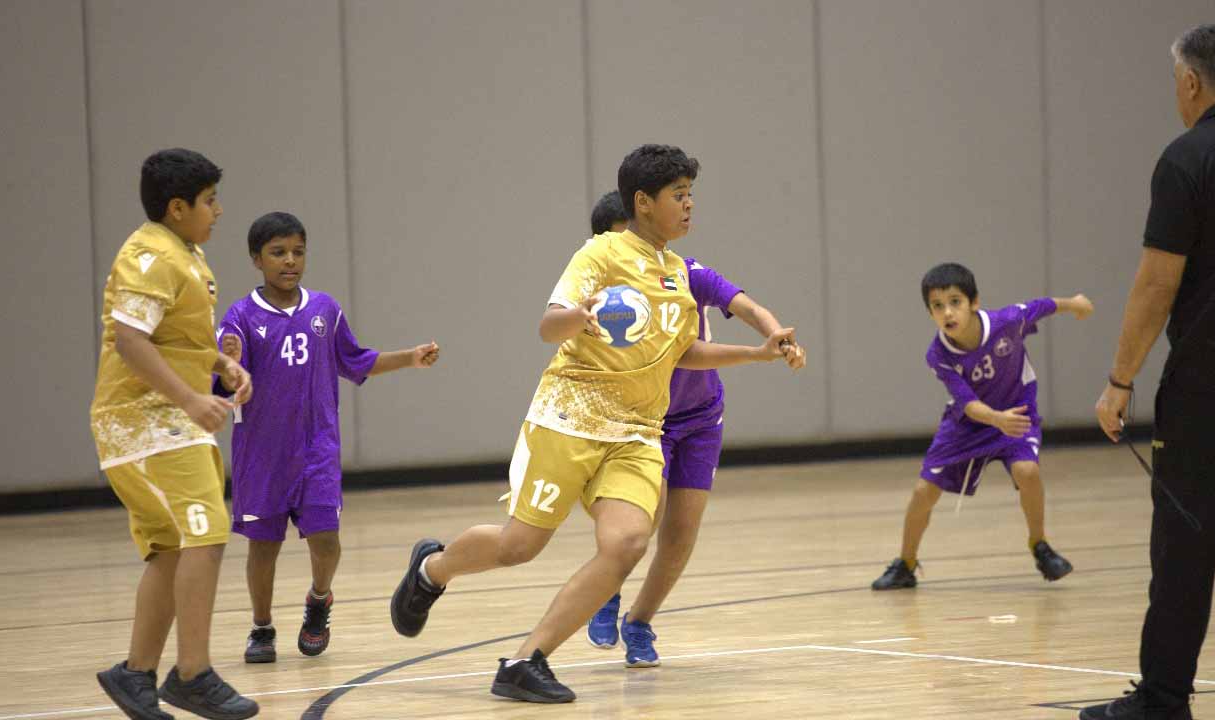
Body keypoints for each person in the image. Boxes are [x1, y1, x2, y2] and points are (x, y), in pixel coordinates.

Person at [389, 144, 797, 703]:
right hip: (569, 419)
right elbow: (547, 325)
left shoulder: (679, 275)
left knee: (627, 543)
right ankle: (432, 569)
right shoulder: (600, 254)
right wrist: (575, 317)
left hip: (635, 434)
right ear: (643, 202)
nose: (689, 205)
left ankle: (526, 660)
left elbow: (685, 354)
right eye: (678, 195)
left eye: (690, 194)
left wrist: (756, 353)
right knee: (518, 547)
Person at [1085, 22, 1215, 720]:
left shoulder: (1189, 159)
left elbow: (1157, 284)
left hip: (1209, 398)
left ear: (1192, 83)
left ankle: (1162, 702)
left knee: (1184, 554)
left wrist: (1120, 379)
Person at [582, 190, 806, 666]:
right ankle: (606, 590)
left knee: (681, 535)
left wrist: (774, 332)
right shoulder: (601, 300)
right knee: (641, 524)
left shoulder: (687, 273)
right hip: (645, 421)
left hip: (702, 417)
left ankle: (639, 621)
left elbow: (746, 306)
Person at [215, 211, 440, 664]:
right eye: (278, 252)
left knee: (327, 541)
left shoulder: (325, 311)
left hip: (317, 450)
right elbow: (223, 381)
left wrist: (409, 358)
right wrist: (228, 366)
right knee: (264, 547)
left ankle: (319, 601)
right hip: (262, 454)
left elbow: (357, 361)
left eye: (298, 251)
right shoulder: (240, 317)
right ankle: (261, 628)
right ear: (256, 259)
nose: (290, 261)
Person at [90, 148, 258, 720]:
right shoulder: (148, 256)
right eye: (210, 201)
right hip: (144, 424)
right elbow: (130, 341)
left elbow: (169, 337)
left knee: (169, 550)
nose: (218, 211)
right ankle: (192, 674)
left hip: (167, 425)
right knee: (206, 533)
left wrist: (220, 364)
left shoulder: (184, 253)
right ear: (177, 206)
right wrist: (189, 396)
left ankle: (135, 674)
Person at [871, 262, 1093, 590]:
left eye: (955, 302)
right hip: (968, 426)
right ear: (930, 312)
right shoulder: (938, 355)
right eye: (937, 305)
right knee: (923, 493)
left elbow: (1039, 307)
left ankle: (1040, 546)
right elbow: (969, 404)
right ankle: (905, 563)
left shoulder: (1006, 321)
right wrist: (995, 419)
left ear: (974, 302)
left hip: (1017, 414)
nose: (947, 312)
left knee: (1028, 473)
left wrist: (1073, 303)